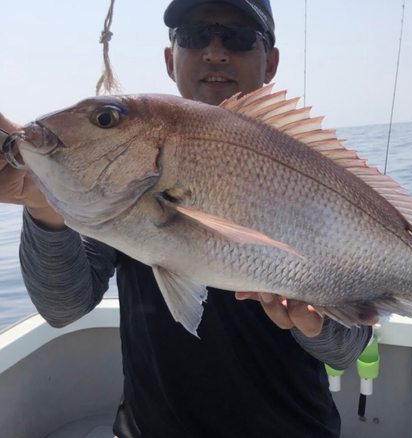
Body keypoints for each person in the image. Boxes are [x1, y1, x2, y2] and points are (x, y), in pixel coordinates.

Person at [0, 1, 372, 436]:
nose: (215, 52)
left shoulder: (317, 173)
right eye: (195, 35)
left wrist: (315, 324)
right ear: (169, 58)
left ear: (269, 62)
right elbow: (63, 307)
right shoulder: (118, 177)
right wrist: (42, 203)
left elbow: (348, 349)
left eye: (237, 37)